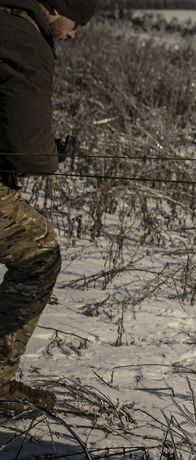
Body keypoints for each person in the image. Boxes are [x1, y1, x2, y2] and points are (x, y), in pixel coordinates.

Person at [0, 0, 95, 414]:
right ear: (57, 6)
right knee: (39, 255)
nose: (73, 34)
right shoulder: (22, 36)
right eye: (76, 23)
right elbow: (27, 146)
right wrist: (49, 155)